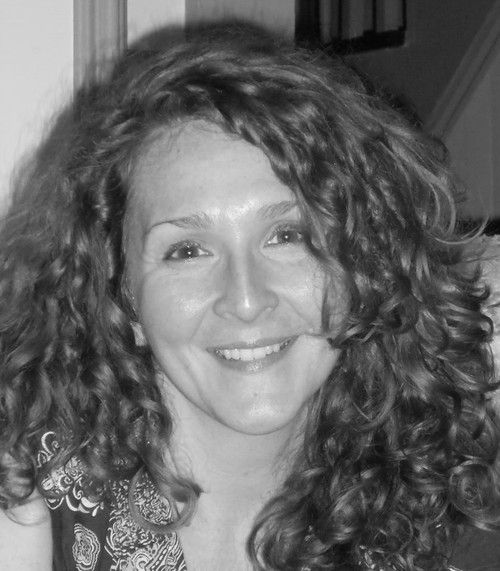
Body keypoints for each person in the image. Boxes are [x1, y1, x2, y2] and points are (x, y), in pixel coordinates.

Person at [0, 24, 498, 571]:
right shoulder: (23, 493)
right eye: (187, 250)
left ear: (365, 265)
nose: (245, 299)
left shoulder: (442, 503)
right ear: (123, 297)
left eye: (288, 236)